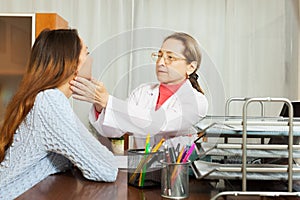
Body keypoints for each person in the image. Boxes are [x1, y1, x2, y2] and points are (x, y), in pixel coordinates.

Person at [0, 29, 118, 200]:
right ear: (72, 64)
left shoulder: (48, 98)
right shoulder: (50, 101)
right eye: (87, 52)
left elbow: (77, 154)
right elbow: (107, 168)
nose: (91, 59)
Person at [71, 32, 208, 147]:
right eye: (159, 55)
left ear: (190, 67)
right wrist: (100, 105)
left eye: (170, 58)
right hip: (142, 172)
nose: (160, 63)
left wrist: (108, 101)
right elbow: (113, 131)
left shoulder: (197, 101)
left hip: (175, 174)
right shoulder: (142, 92)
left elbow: (159, 123)